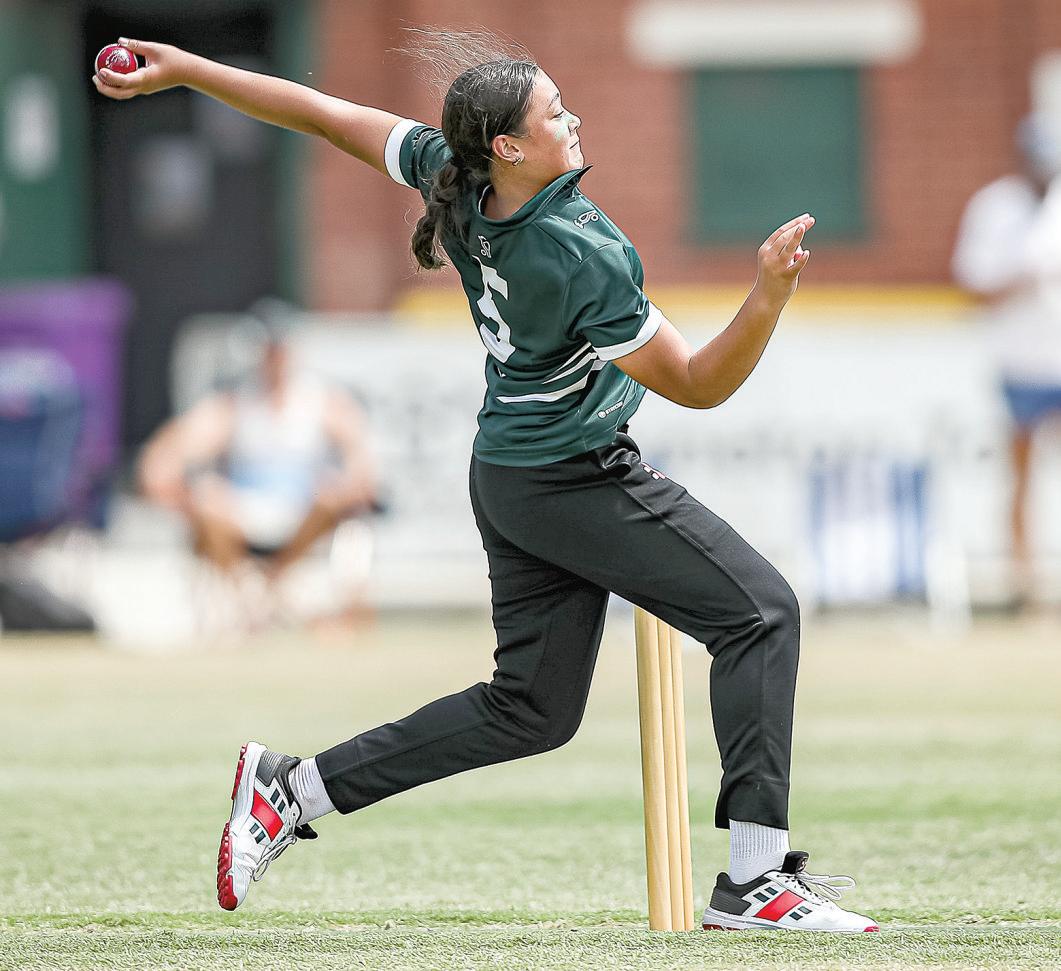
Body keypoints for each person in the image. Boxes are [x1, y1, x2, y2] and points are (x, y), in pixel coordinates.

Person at [95, 30, 877, 933]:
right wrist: (768, 295)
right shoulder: (577, 250)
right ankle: (755, 880)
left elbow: (324, 115)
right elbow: (699, 385)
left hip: (510, 476)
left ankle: (291, 788)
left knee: (530, 710)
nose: (572, 120)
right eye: (554, 112)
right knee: (760, 613)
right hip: (572, 476)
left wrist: (186, 69)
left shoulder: (455, 175)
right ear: (507, 145)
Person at [138, 319, 376, 589]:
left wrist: (354, 483)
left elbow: (360, 455)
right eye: (268, 350)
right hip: (244, 510)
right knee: (207, 497)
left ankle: (275, 580)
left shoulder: (322, 401)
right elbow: (175, 449)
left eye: (279, 350)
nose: (275, 359)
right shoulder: (235, 402)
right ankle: (244, 587)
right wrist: (169, 483)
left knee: (332, 494)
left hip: (303, 508)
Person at [953, 115, 1061, 606]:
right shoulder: (995, 207)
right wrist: (1024, 277)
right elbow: (974, 285)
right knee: (1020, 473)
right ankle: (1024, 582)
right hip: (1021, 363)